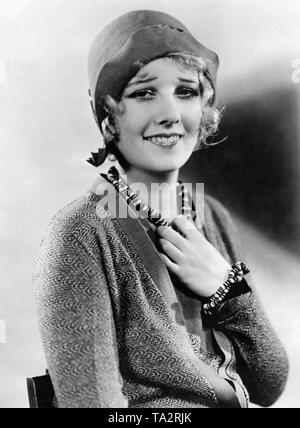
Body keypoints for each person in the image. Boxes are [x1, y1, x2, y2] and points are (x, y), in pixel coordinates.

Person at [33, 9, 289, 408]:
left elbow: (268, 384)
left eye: (185, 92)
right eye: (143, 93)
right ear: (108, 116)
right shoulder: (80, 235)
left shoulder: (211, 216)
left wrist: (227, 286)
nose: (169, 114)